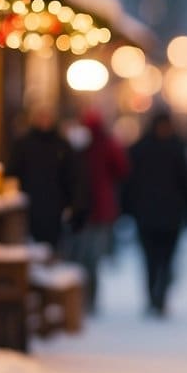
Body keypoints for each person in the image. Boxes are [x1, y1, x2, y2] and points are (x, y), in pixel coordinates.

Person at [123, 111, 187, 317]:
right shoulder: (169, 148)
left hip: (164, 214)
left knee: (162, 259)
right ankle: (155, 296)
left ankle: (158, 296)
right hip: (153, 215)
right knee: (152, 259)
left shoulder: (155, 148)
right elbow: (130, 183)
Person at [69, 107, 129, 313]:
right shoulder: (107, 143)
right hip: (99, 209)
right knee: (91, 258)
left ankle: (85, 300)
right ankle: (89, 300)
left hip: (86, 209)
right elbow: (121, 170)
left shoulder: (80, 145)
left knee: (83, 257)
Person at [5, 104, 81, 249]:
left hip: (55, 205)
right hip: (30, 204)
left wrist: (73, 203)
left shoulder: (62, 145)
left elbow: (73, 177)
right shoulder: (23, 144)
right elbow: (12, 172)